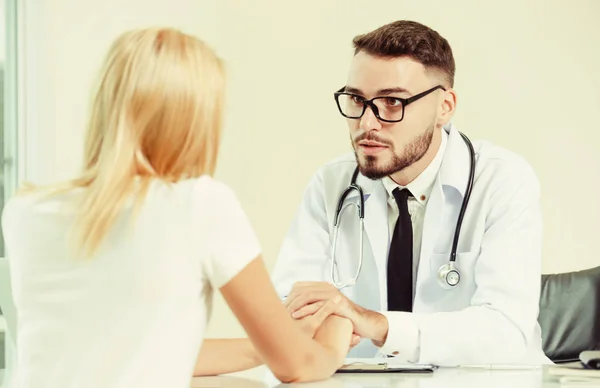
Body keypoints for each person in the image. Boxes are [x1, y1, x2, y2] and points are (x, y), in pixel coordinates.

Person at [0, 27, 354, 388]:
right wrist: (334, 335)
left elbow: (135, 348)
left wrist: (269, 344)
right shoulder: (199, 204)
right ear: (192, 121)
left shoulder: (25, 211)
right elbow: (296, 366)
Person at [271, 20, 552, 367]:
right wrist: (323, 322)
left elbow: (506, 331)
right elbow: (289, 309)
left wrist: (376, 323)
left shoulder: (501, 181)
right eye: (357, 99)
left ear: (444, 107)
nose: (366, 124)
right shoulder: (332, 185)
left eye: (391, 102)